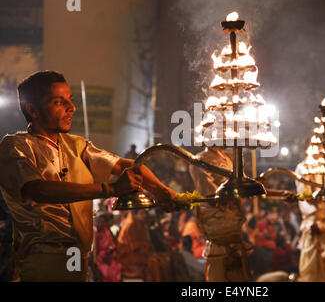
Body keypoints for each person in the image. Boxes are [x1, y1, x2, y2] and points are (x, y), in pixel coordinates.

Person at [0, 71, 178, 281]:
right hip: (43, 257)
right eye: (58, 102)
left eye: (70, 100)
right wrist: (110, 190)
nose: (71, 108)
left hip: (77, 255)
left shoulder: (77, 146)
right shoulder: (15, 146)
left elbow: (127, 166)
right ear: (33, 110)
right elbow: (38, 190)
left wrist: (164, 192)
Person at [188, 147, 253, 282]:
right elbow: (210, 196)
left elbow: (244, 183)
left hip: (234, 221)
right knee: (219, 271)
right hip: (217, 222)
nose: (225, 133)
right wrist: (234, 193)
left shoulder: (229, 157)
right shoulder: (199, 160)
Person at [294, 152, 325, 282]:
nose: (320, 152)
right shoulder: (302, 167)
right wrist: (317, 202)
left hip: (324, 219)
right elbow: (303, 195)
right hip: (311, 219)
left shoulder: (323, 168)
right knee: (312, 259)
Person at [94, 212, 121, 282]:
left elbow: (112, 244)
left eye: (102, 222)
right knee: (107, 272)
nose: (100, 224)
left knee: (117, 267)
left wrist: (111, 249)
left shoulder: (106, 232)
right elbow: (95, 250)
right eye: (99, 222)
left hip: (110, 256)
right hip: (101, 259)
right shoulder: (96, 233)